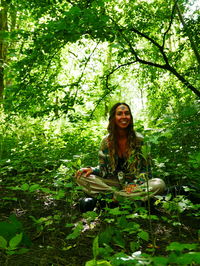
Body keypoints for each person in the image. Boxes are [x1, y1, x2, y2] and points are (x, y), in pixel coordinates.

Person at [75, 103, 165, 208]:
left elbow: (146, 173)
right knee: (80, 176)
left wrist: (133, 186)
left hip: (135, 185)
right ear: (113, 118)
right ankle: (127, 199)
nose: (124, 117)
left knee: (159, 184)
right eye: (119, 114)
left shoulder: (139, 140)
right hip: (113, 183)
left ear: (130, 117)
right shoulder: (106, 142)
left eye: (127, 113)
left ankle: (112, 199)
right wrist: (92, 170)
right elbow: (104, 170)